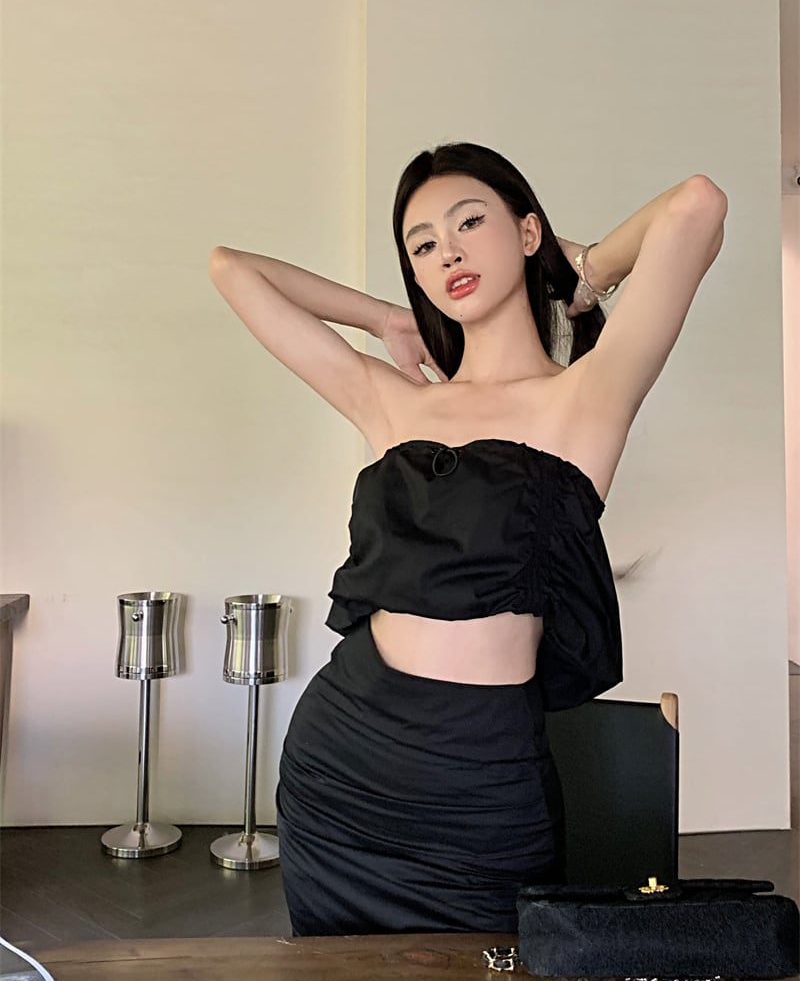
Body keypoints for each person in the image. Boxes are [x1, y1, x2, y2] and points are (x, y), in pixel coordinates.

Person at [209, 142, 727, 936]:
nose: (447, 252)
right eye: (422, 246)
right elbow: (232, 270)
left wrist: (583, 269)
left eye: (469, 223)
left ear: (527, 232)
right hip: (341, 763)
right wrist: (384, 317)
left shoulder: (586, 396)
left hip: (479, 784)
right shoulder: (397, 403)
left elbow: (696, 205)